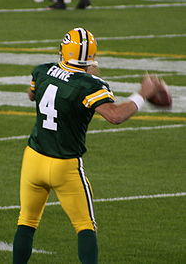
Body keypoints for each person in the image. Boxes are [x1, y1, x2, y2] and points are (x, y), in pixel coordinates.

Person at [12, 27, 160, 264]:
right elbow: (114, 115)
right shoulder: (90, 85)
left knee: (27, 221)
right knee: (85, 226)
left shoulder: (41, 71)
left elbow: (33, 95)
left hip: (33, 159)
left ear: (63, 50)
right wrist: (142, 94)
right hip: (64, 167)